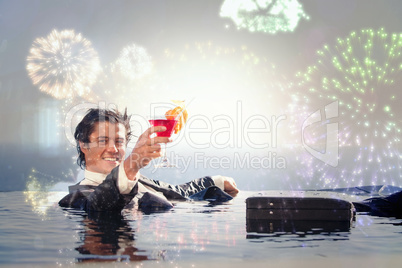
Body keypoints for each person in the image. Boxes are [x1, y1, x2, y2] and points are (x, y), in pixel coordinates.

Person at [59, 108, 239, 212]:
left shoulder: (140, 180)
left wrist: (216, 180)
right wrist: (131, 166)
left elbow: (177, 191)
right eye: (103, 140)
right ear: (84, 145)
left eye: (119, 141)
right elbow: (98, 207)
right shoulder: (75, 199)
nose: (113, 149)